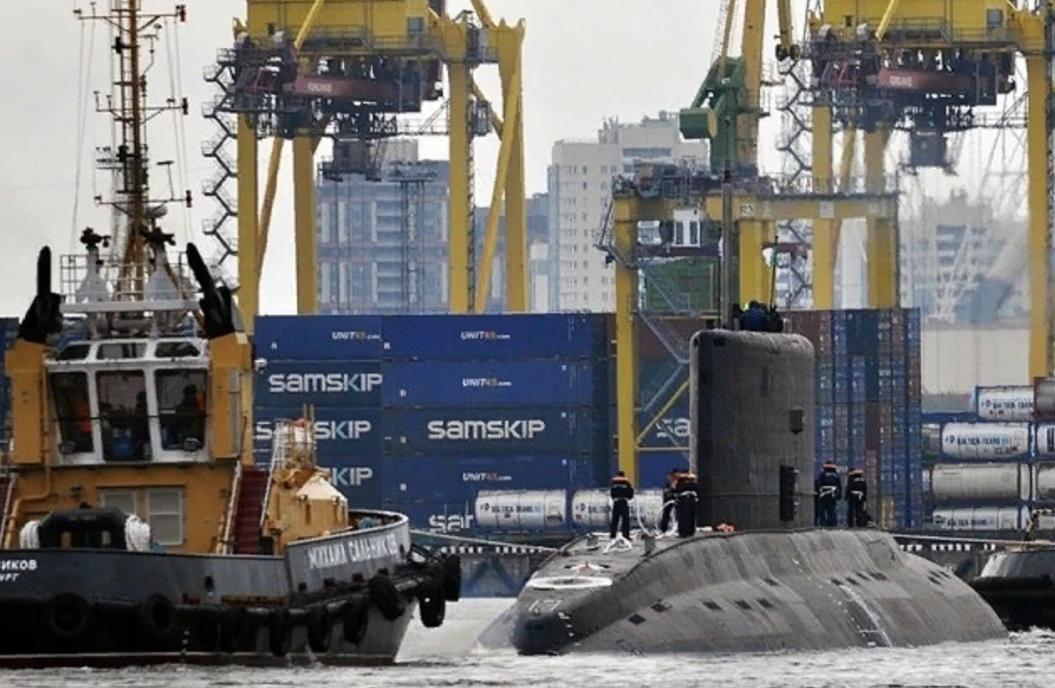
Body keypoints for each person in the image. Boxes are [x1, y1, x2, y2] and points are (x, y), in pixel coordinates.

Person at [815, 462, 842, 527]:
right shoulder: (836, 475)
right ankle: (831, 523)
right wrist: (839, 495)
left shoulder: (822, 474)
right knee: (832, 510)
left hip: (823, 495)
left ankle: (823, 523)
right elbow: (839, 486)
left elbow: (818, 484)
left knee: (822, 510)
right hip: (833, 495)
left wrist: (818, 494)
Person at [609, 470, 634, 540]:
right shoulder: (627, 483)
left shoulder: (614, 483)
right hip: (624, 502)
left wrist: (615, 497)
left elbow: (612, 494)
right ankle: (625, 536)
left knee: (615, 520)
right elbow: (630, 494)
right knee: (625, 520)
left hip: (616, 502)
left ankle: (613, 536)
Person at [673, 469, 699, 537]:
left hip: (688, 500)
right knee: (684, 516)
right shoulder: (680, 482)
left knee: (688, 516)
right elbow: (675, 489)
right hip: (684, 500)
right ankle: (685, 532)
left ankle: (687, 531)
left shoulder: (689, 482)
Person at [659, 470, 678, 534]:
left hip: (674, 496)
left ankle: (677, 527)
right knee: (666, 513)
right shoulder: (669, 485)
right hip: (669, 497)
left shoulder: (676, 482)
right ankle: (663, 529)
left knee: (677, 513)